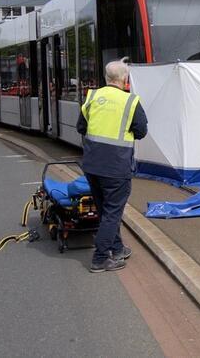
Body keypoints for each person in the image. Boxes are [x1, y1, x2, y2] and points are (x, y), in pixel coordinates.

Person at [77, 58, 148, 272]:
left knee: (106, 210)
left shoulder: (92, 97)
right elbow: (141, 132)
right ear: (124, 80)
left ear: (106, 78)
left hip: (91, 165)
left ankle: (117, 249)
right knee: (113, 213)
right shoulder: (130, 102)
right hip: (116, 166)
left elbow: (81, 127)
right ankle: (100, 258)